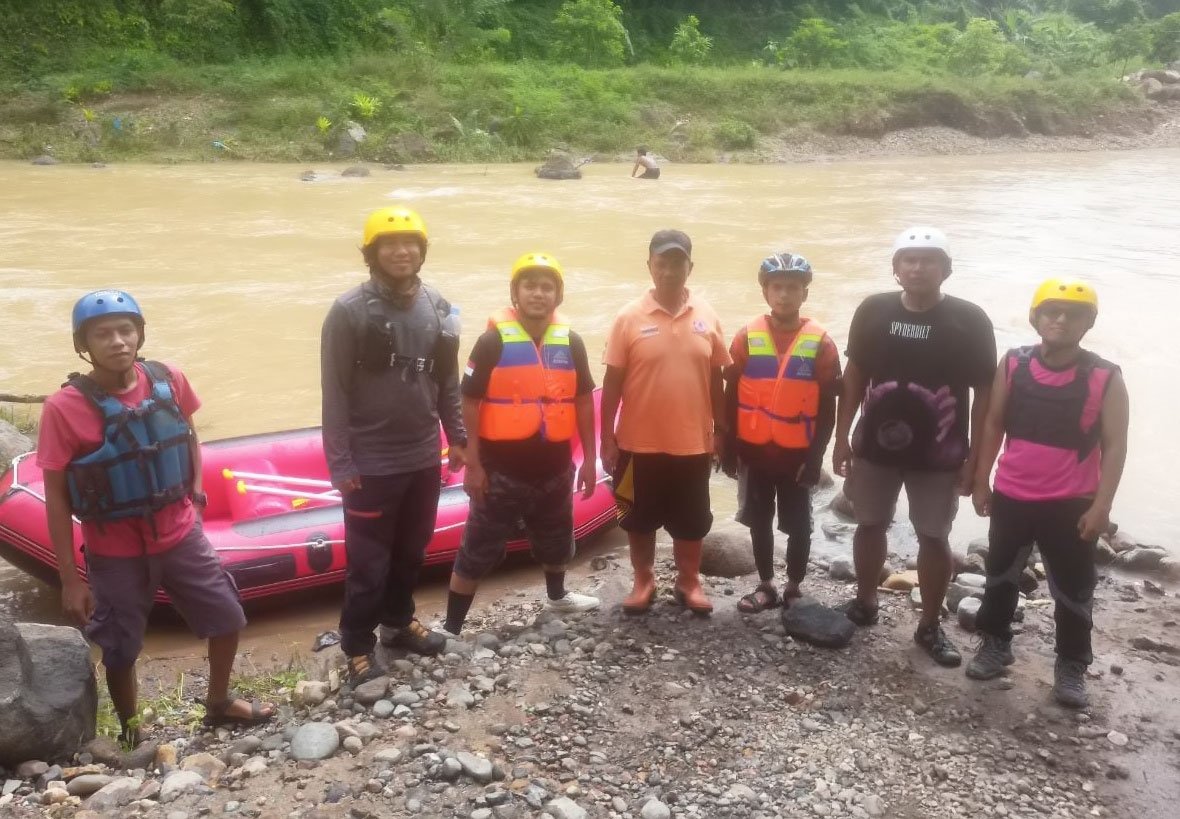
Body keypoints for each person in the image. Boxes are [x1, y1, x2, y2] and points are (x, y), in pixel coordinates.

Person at [37, 290, 273, 745]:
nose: (118, 341)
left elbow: (186, 436)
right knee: (120, 647)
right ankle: (130, 732)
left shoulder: (170, 379)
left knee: (227, 617)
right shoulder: (63, 409)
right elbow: (56, 497)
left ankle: (219, 703)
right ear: (83, 345)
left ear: (139, 334)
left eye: (126, 330)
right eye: (102, 334)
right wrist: (70, 578)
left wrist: (197, 496)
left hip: (181, 532)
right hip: (115, 550)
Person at [832, 227, 996, 667]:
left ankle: (929, 624)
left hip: (939, 454)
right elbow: (854, 376)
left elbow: (986, 396)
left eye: (929, 259)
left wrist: (977, 462)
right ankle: (865, 603)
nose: (918, 267)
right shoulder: (873, 310)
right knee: (869, 524)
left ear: (947, 269)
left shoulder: (970, 319)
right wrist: (841, 436)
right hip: (873, 448)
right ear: (895, 267)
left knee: (933, 535)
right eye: (909, 258)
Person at [321, 206, 467, 684]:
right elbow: (334, 392)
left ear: (422, 251)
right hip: (370, 461)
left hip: (422, 454)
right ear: (373, 253)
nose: (401, 251)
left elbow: (447, 380)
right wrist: (340, 463)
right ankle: (357, 644)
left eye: (410, 243)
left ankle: (399, 622)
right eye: (390, 244)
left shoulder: (438, 305)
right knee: (368, 563)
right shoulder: (349, 312)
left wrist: (457, 437)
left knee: (411, 550)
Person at [966, 279, 1127, 708]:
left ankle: (1071, 665)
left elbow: (1115, 445)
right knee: (1000, 574)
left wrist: (1102, 505)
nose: (1060, 319)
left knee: (1073, 587)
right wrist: (982, 479)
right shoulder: (1014, 364)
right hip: (1013, 493)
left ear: (1087, 324)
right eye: (1051, 311)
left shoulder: (1104, 377)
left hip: (1071, 502)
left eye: (1073, 314)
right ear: (1036, 317)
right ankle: (995, 644)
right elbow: (993, 423)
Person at [443, 253, 601, 635]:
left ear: (557, 297)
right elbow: (469, 401)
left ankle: (558, 597)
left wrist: (591, 460)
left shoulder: (572, 342)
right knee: (477, 548)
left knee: (557, 538)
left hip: (553, 465)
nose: (538, 294)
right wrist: (475, 464)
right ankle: (451, 627)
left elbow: (582, 401)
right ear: (515, 293)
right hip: (501, 469)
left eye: (547, 287)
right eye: (529, 286)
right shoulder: (491, 341)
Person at [601, 229, 731, 615]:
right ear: (650, 266)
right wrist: (607, 438)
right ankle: (644, 580)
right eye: (662, 262)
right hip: (638, 441)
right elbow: (612, 383)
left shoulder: (706, 315)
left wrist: (721, 432)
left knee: (692, 519)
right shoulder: (628, 317)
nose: (670, 270)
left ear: (690, 266)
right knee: (638, 519)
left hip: (693, 442)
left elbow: (716, 380)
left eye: (678, 262)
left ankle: (688, 582)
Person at [721, 252, 841, 612]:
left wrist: (817, 455)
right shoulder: (746, 337)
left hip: (796, 454)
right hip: (755, 452)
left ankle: (794, 586)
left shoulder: (820, 342)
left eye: (793, 288)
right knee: (759, 520)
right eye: (777, 287)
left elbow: (828, 406)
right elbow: (730, 393)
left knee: (799, 523)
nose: (784, 295)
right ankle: (765, 585)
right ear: (765, 292)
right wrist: (727, 446)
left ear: (804, 293)